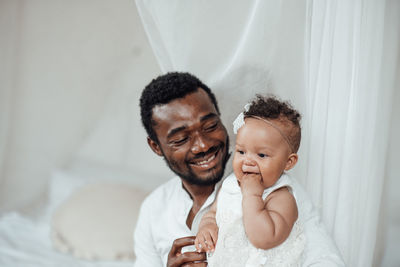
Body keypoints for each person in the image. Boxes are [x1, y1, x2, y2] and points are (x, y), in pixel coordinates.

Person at [133, 72, 344, 267]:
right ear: (156, 146)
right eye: (181, 139)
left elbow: (327, 261)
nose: (203, 145)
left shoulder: (277, 189)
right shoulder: (154, 210)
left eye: (210, 126)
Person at [195, 95, 306, 266]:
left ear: (288, 162)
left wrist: (252, 195)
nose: (248, 161)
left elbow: (264, 239)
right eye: (241, 152)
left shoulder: (281, 196)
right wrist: (207, 226)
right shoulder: (231, 184)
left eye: (261, 155)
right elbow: (213, 213)